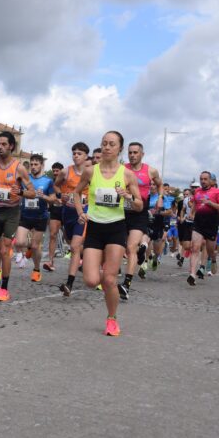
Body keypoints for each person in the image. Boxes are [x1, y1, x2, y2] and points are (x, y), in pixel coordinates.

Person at [74, 131, 142, 337]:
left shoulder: (127, 175)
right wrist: (80, 212)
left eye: (112, 144)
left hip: (116, 228)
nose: (107, 147)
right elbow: (76, 193)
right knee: (91, 281)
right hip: (94, 227)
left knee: (110, 280)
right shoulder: (90, 172)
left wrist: (128, 196)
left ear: (119, 148)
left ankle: (111, 318)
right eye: (104, 143)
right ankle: (106, 276)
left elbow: (139, 205)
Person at [0, 131, 35, 302]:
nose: (0, 147)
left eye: (4, 144)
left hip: (12, 212)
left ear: (11, 146)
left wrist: (20, 191)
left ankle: (4, 288)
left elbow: (32, 193)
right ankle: (4, 255)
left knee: (5, 250)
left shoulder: (19, 167)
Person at [120, 142, 162, 299]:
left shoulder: (150, 170)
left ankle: (126, 284)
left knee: (131, 247)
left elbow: (160, 184)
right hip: (122, 211)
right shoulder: (122, 169)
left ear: (142, 154)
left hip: (139, 212)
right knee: (120, 247)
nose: (132, 155)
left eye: (135, 152)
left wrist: (160, 198)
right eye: (130, 152)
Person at [55, 142, 90, 297]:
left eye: (79, 153)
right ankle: (85, 255)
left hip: (82, 212)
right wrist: (60, 195)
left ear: (86, 156)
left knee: (75, 246)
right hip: (67, 212)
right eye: (74, 153)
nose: (76, 156)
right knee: (71, 243)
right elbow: (56, 186)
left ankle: (69, 283)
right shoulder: (66, 171)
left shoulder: (91, 173)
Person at [14, 154, 56, 282]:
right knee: (20, 242)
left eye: (36, 164)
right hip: (25, 215)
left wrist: (44, 196)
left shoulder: (48, 181)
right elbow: (17, 193)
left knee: (35, 245)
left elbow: (53, 200)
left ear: (42, 165)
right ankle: (29, 249)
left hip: (40, 217)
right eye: (31, 164)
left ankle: (36, 269)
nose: (33, 167)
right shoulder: (25, 179)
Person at [186, 171, 219, 286]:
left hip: (212, 222)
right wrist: (192, 212)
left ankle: (213, 259)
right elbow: (195, 202)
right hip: (199, 222)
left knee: (210, 249)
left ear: (210, 180)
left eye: (205, 179)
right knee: (195, 247)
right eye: (201, 179)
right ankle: (192, 274)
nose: (203, 181)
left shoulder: (217, 192)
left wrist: (210, 203)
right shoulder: (197, 191)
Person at [43, 161, 64, 272]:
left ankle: (81, 258)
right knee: (52, 235)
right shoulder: (50, 183)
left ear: (62, 171)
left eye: (57, 171)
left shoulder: (66, 182)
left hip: (67, 210)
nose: (55, 173)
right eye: (54, 171)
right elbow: (48, 197)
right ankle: (51, 261)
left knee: (70, 239)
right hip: (55, 210)